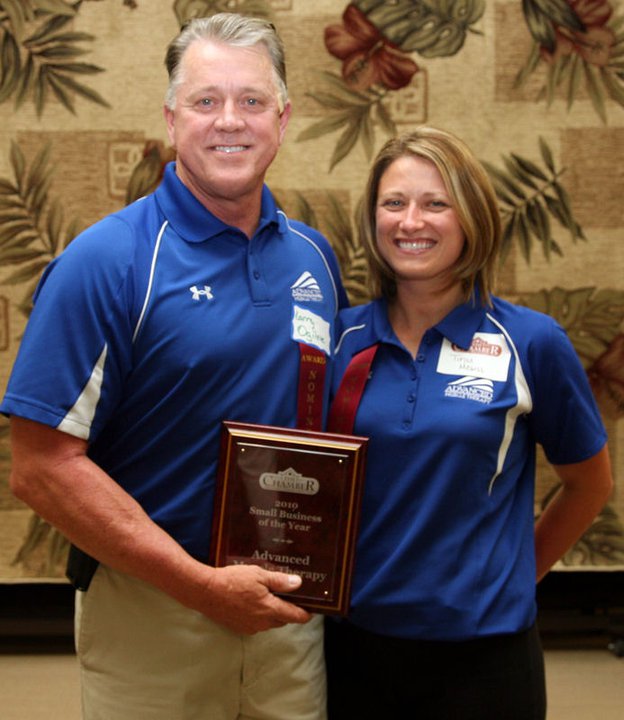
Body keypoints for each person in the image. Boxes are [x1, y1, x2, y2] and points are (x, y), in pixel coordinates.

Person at [1, 13, 348, 720]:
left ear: (283, 120)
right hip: (152, 613)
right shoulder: (106, 262)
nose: (231, 121)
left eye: (252, 101)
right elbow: (40, 467)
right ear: (170, 118)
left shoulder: (315, 259)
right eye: (205, 100)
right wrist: (196, 584)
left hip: (288, 614)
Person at [325, 126, 613, 719]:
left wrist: (514, 576)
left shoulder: (532, 343)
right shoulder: (337, 340)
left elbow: (590, 484)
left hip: (486, 659)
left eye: (436, 203)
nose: (411, 222)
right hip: (353, 646)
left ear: (471, 218)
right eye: (394, 203)